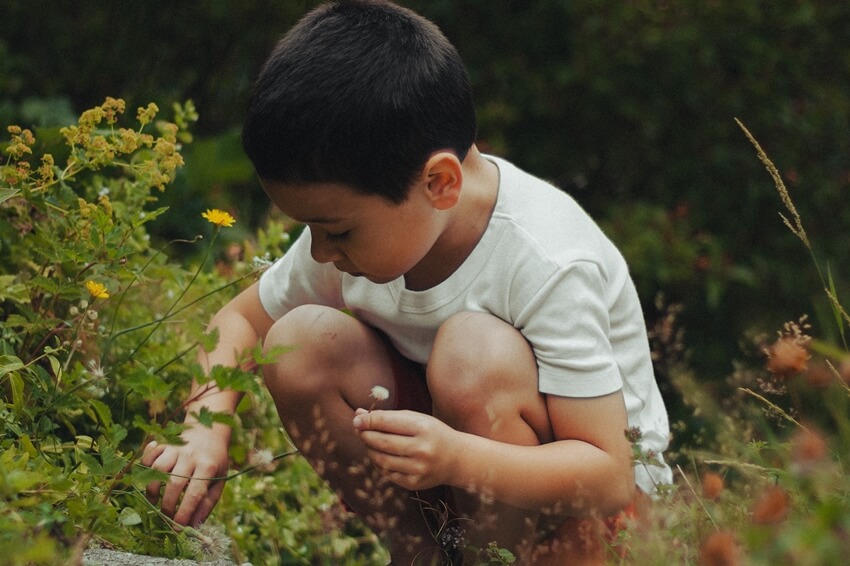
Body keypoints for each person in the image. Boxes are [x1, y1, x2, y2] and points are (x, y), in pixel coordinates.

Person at [142, 1, 673, 564]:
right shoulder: (362, 232)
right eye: (312, 230)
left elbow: (611, 476)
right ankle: (423, 555)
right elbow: (240, 321)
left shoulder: (546, 260)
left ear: (439, 183)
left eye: (338, 230)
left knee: (474, 353)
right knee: (300, 346)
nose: (322, 252)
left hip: (593, 518)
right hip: (456, 471)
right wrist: (203, 427)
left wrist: (456, 459)